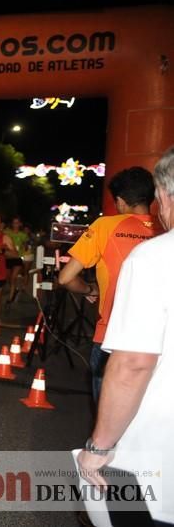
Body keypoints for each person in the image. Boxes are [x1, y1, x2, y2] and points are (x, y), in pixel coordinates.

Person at [76, 148, 174, 526]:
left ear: (163, 196)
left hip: (158, 451)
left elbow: (133, 363)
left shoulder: (150, 255)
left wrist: (98, 448)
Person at [58, 167, 158, 402]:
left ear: (121, 201)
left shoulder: (105, 226)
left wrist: (90, 289)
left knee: (107, 416)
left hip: (112, 336)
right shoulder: (166, 230)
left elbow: (66, 278)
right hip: (157, 340)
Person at [4, 216, 29, 303]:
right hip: (7, 258)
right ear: (12, 224)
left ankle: (10, 298)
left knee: (13, 277)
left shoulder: (23, 235)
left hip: (17, 258)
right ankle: (13, 289)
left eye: (17, 223)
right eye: (14, 223)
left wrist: (24, 247)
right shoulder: (7, 233)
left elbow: (26, 245)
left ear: (20, 224)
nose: (16, 225)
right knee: (7, 277)